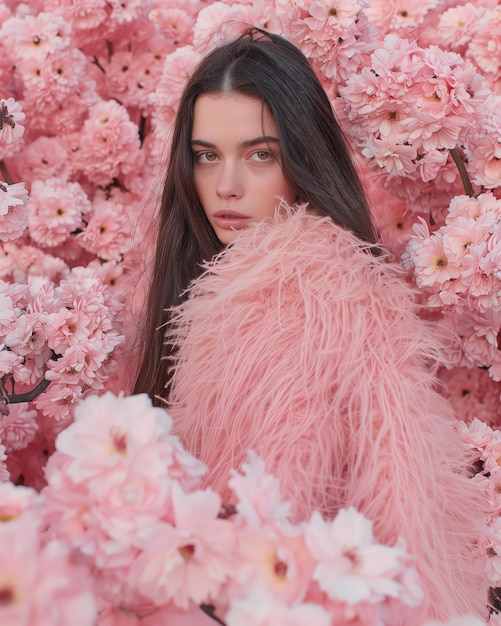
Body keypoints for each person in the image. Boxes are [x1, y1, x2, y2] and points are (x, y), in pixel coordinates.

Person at [132, 26, 488, 623]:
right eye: (206, 155)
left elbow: (275, 534)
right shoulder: (213, 297)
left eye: (260, 154)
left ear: (303, 159)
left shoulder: (311, 304)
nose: (226, 186)